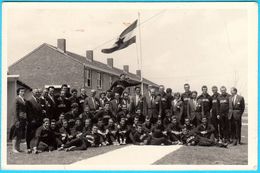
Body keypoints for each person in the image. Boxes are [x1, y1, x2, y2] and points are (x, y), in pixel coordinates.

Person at [26, 88, 44, 153]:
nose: (37, 93)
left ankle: (34, 147)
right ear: (33, 93)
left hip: (39, 121)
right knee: (30, 135)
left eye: (38, 92)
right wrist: (32, 120)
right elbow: (29, 112)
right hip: (32, 121)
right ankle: (28, 148)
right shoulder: (29, 101)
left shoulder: (39, 100)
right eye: (36, 92)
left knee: (37, 135)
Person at [10, 87, 27, 153]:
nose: (23, 93)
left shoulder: (24, 100)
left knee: (20, 134)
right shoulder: (17, 99)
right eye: (21, 91)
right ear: (18, 92)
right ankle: (13, 148)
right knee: (15, 134)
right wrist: (16, 120)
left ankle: (18, 148)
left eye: (24, 91)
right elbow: (15, 110)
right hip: (18, 119)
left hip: (23, 119)